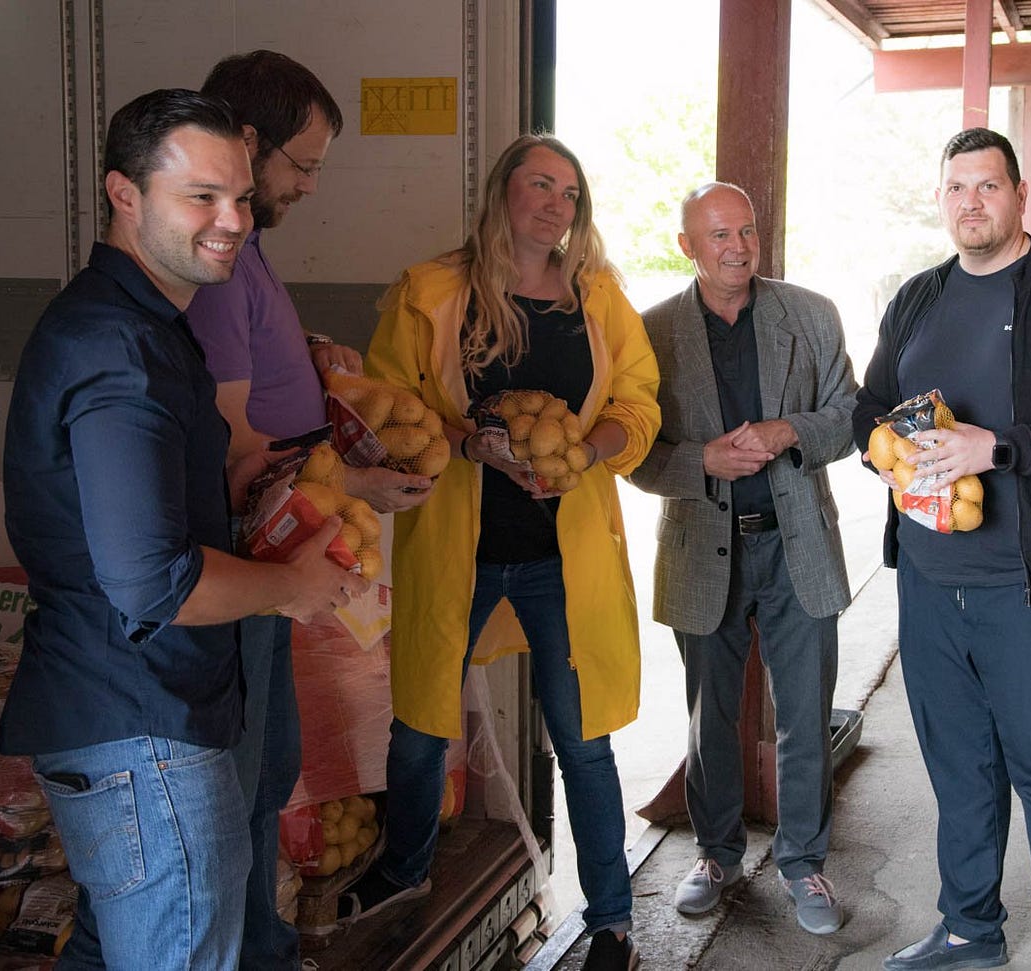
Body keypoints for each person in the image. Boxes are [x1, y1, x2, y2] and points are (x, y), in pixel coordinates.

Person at [0, 88, 368, 971]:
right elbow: (153, 581)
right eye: (200, 196)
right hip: (145, 730)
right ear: (126, 195)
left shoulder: (141, 327)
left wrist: (242, 482)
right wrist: (294, 588)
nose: (233, 220)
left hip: (121, 718)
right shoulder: (119, 347)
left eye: (240, 196)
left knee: (110, 948)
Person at [339, 134, 659, 971]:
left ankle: (613, 920)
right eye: (539, 184)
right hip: (461, 548)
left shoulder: (598, 298)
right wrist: (467, 444)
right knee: (417, 729)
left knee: (582, 739)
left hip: (565, 555)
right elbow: (387, 398)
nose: (555, 203)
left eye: (570, 192)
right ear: (501, 193)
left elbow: (638, 397)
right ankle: (405, 870)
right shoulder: (432, 291)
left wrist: (589, 453)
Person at [853, 128, 1031, 971]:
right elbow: (873, 406)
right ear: (940, 199)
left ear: (1019, 194)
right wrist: (893, 451)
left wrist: (997, 448)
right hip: (931, 580)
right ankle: (969, 930)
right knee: (959, 768)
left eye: (987, 186)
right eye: (955, 188)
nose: (970, 202)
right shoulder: (917, 297)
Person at [187, 50, 431, 970]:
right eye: (304, 163)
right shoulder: (222, 262)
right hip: (248, 559)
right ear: (248, 143)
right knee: (248, 774)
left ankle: (264, 941)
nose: (310, 184)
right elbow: (234, 446)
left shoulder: (247, 253)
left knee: (267, 765)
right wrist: (350, 489)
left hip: (270, 553)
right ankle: (253, 950)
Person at [626, 182, 858, 936]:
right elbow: (634, 454)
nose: (737, 247)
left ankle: (803, 863)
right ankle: (717, 854)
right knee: (710, 715)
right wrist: (703, 461)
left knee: (803, 715)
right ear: (688, 245)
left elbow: (850, 417)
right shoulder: (652, 332)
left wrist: (789, 429)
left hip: (798, 546)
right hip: (704, 548)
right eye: (718, 235)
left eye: (746, 232)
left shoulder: (811, 314)